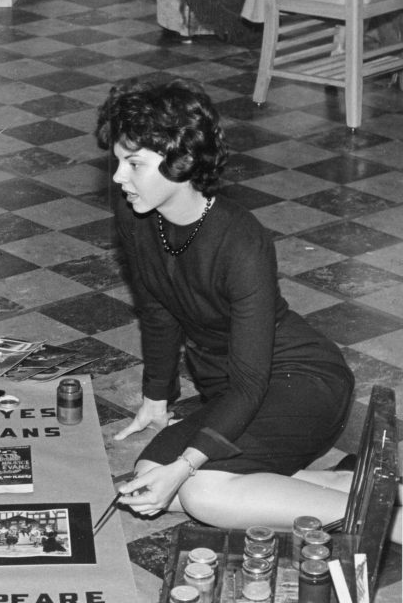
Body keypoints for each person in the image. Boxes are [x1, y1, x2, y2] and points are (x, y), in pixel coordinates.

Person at [96, 78, 393, 538]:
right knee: (148, 482)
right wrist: (157, 396)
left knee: (201, 492)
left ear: (184, 161)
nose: (119, 177)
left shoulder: (240, 241)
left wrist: (188, 464)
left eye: (134, 164)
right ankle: (349, 485)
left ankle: (389, 524)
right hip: (228, 384)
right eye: (117, 161)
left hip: (297, 381)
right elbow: (156, 308)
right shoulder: (134, 211)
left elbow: (252, 383)